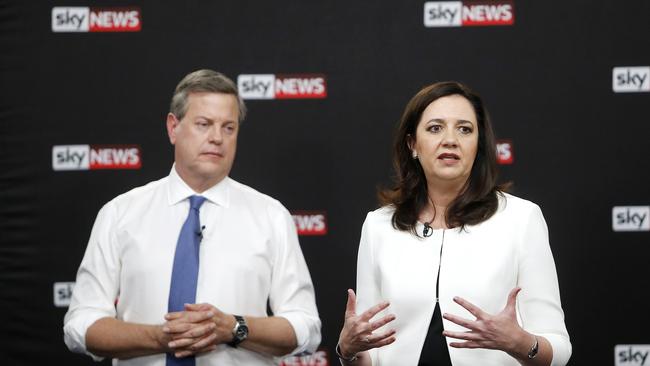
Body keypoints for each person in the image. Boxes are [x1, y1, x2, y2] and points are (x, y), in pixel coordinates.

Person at [63, 69, 321, 365]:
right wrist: (162, 337)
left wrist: (234, 328)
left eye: (228, 128)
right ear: (173, 128)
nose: (217, 138)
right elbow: (80, 325)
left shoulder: (271, 216)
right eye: (204, 124)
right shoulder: (120, 214)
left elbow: (306, 328)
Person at [336, 82, 571, 365]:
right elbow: (368, 353)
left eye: (464, 129)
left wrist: (521, 343)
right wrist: (348, 351)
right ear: (412, 144)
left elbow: (558, 350)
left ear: (479, 144)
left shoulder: (521, 219)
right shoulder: (378, 226)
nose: (450, 140)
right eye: (435, 128)